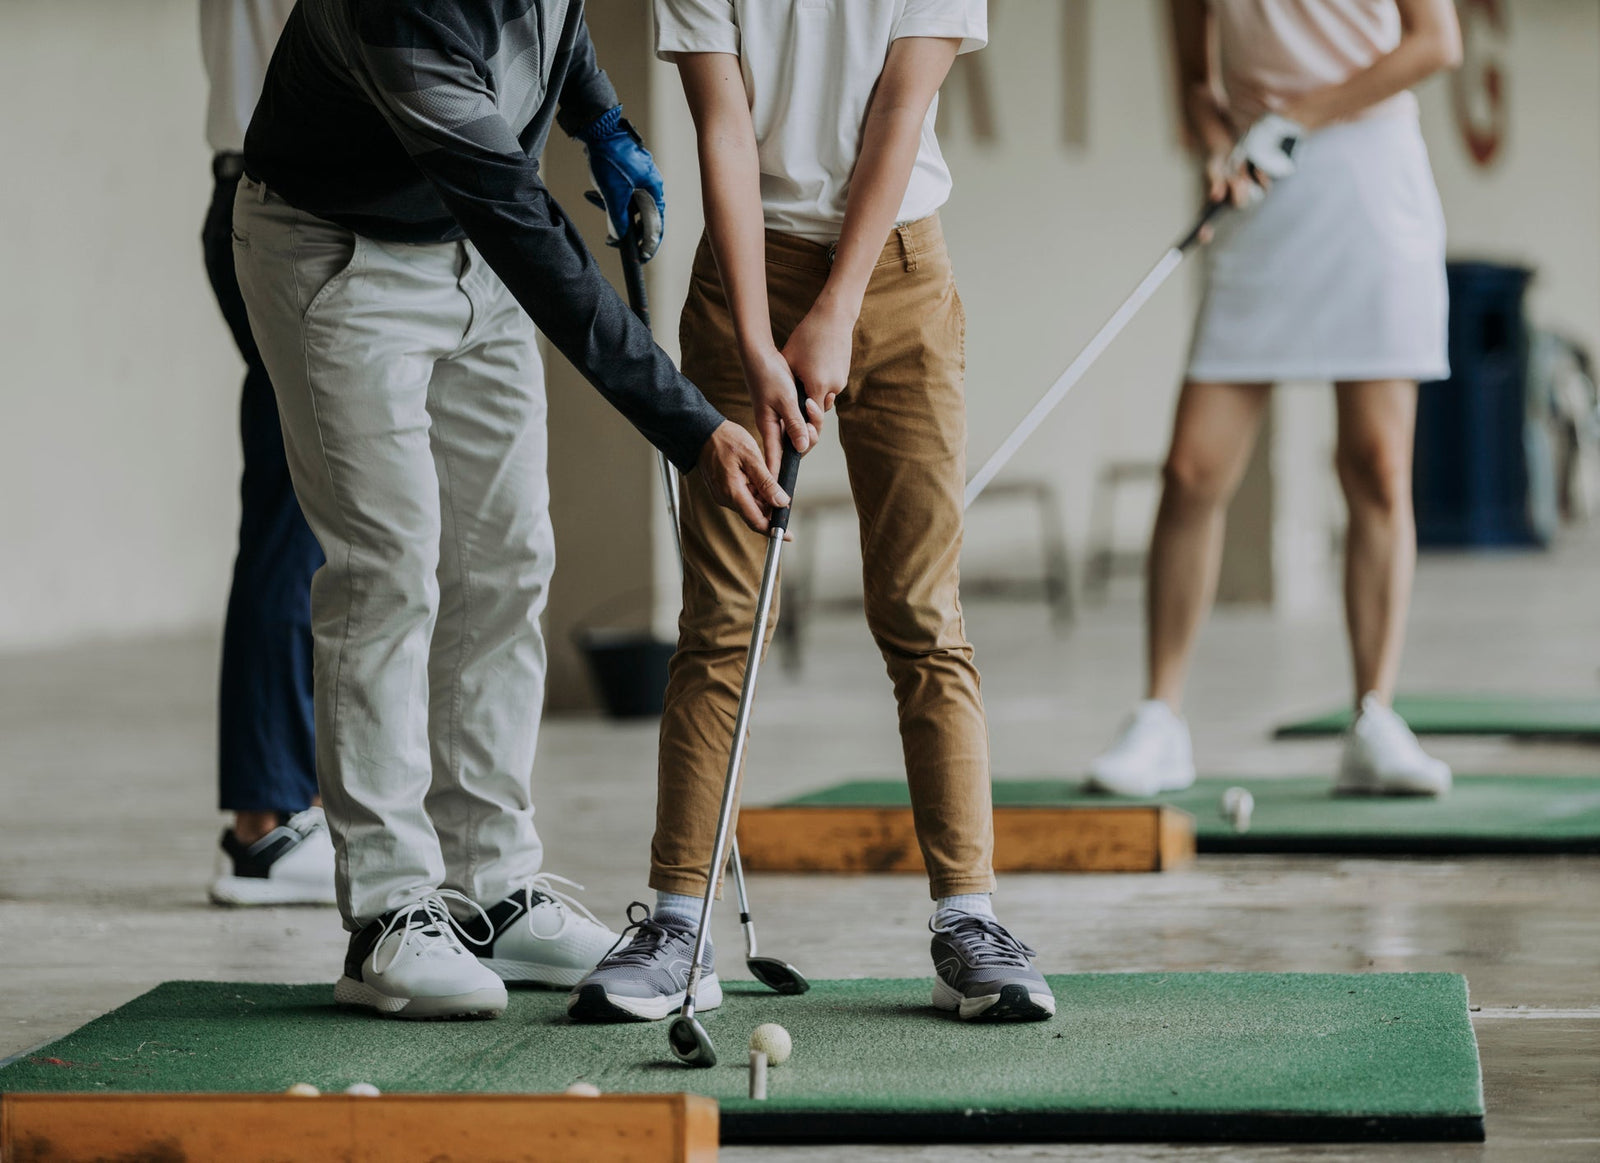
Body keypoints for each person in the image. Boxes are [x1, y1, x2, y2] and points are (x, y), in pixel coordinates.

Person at [232, 0, 787, 1020]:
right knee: (387, 567)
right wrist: (692, 428)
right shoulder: (398, 11)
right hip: (339, 252)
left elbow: (552, 26)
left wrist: (602, 120)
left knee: (510, 558)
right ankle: (389, 914)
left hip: (470, 248)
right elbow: (526, 229)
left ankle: (492, 884)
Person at [571, 0, 1056, 1025]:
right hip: (745, 278)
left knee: (921, 612)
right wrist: (756, 338)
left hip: (901, 283)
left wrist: (834, 312)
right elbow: (725, 128)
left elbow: (898, 110)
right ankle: (677, 923)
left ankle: (968, 919)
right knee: (722, 625)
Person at [1088, 0, 1463, 799]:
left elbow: (1437, 42)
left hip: (1370, 181)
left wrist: (1298, 115)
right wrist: (1218, 143)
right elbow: (1195, 81)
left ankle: (1374, 717)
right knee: (1192, 469)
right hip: (1265, 190)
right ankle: (1160, 719)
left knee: (1376, 465)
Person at [200, 0, 336, 908]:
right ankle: (268, 818)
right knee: (299, 507)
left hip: (256, 194)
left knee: (302, 499)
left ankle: (282, 803)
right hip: (294, 205)